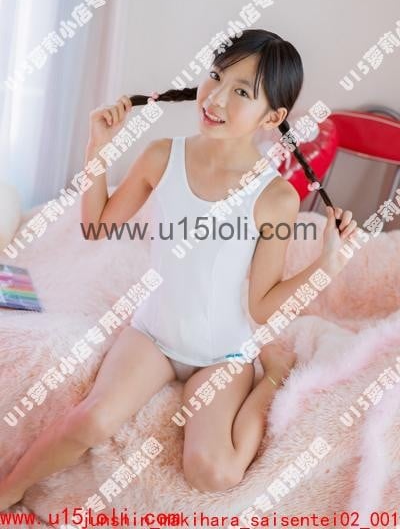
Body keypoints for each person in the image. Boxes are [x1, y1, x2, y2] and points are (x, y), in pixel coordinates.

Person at [0, 29, 358, 509]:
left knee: (214, 472)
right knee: (92, 420)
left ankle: (274, 374)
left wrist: (327, 265)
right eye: (216, 76)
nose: (215, 98)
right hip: (152, 335)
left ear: (272, 117)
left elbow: (261, 306)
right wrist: (98, 148)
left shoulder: (274, 197)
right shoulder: (162, 155)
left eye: (241, 92)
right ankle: (9, 488)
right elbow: (96, 226)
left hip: (222, 354)